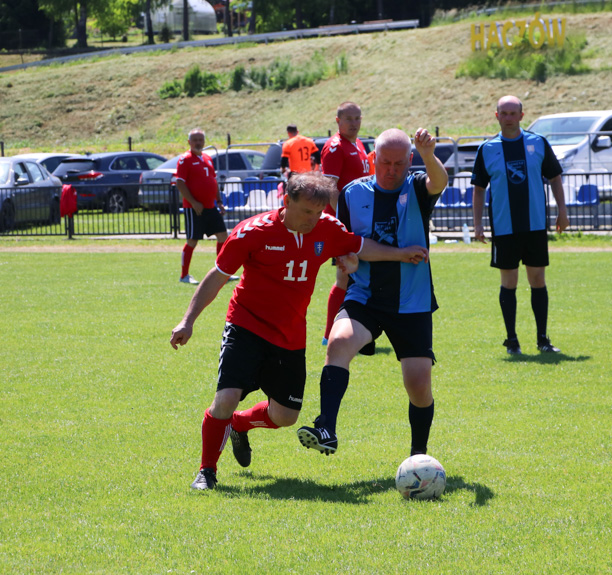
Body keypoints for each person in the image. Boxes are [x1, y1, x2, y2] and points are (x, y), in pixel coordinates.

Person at [170, 172, 429, 490]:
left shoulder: (327, 229)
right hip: (246, 326)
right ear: (286, 201)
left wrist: (400, 254)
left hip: (290, 335)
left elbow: (360, 247)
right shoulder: (253, 232)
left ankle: (240, 424)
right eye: (306, 211)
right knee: (225, 399)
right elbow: (218, 275)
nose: (312, 219)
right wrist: (188, 320)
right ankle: (206, 472)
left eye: (318, 212)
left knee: (286, 416)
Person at [297, 127, 448, 458]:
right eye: (384, 163)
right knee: (337, 342)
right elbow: (348, 244)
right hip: (365, 296)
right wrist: (347, 258)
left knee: (419, 385)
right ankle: (326, 427)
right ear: (372, 159)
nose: (391, 170)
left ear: (409, 161)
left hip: (412, 300)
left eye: (398, 163)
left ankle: (418, 457)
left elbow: (439, 182)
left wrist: (428, 154)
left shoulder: (417, 187)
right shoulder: (352, 194)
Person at [470, 95, 569, 355]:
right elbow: (479, 189)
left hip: (535, 225)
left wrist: (562, 211)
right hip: (504, 228)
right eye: (504, 113)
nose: (509, 118)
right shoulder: (488, 149)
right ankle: (512, 340)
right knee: (509, 282)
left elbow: (555, 177)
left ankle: (543, 340)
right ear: (497, 116)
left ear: (522, 116)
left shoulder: (538, 143)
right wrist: (477, 224)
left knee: (537, 280)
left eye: (514, 113)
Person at [320, 102, 371, 345]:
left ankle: (359, 331)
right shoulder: (335, 147)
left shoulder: (358, 144)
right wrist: (345, 220)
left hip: (360, 220)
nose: (354, 123)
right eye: (348, 118)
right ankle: (329, 334)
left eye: (357, 118)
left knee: (357, 277)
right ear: (337, 121)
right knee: (345, 278)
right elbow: (330, 187)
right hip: (345, 223)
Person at [175, 128, 235, 285]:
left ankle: (222, 271)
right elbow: (179, 182)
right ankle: (184, 275)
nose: (198, 142)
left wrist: (219, 202)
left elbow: (213, 182)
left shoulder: (207, 158)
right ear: (189, 142)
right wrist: (194, 202)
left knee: (223, 236)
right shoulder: (185, 159)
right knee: (192, 241)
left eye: (200, 140)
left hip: (210, 207)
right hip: (194, 208)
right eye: (194, 140)